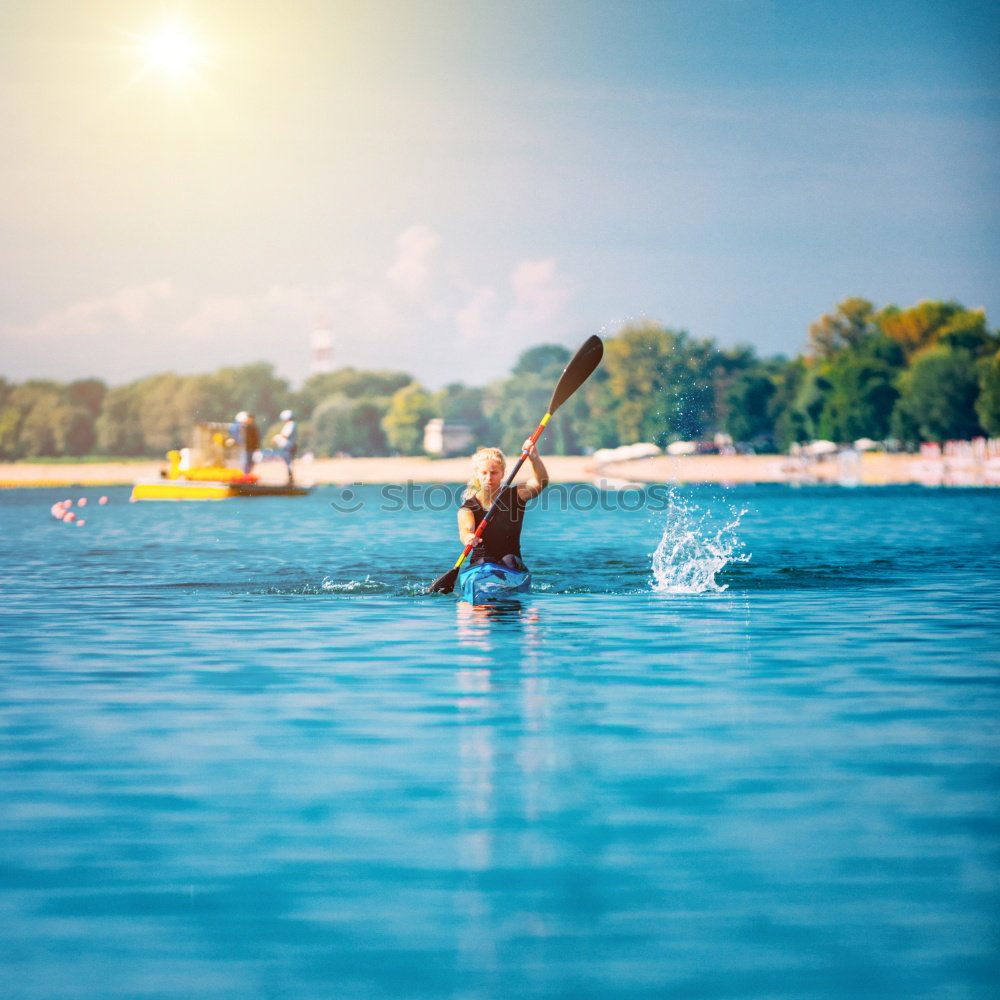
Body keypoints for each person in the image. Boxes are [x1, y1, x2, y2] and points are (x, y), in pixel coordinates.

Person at [457, 441, 549, 570]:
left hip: (512, 564)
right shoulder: (468, 508)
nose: (489, 478)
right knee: (485, 562)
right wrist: (468, 537)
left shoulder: (516, 495)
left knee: (509, 560)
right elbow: (466, 530)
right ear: (477, 474)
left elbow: (541, 483)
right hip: (481, 566)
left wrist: (534, 458)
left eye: (494, 473)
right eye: (484, 473)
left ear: (503, 473)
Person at [273, 408, 298, 484]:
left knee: (289, 462)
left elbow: (285, 435)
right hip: (289, 446)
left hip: (289, 446)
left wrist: (277, 437)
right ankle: (290, 478)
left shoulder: (291, 424)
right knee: (288, 462)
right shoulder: (291, 424)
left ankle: (290, 479)